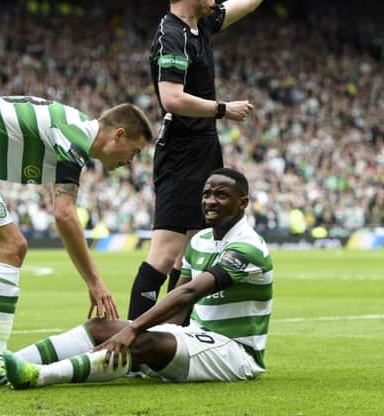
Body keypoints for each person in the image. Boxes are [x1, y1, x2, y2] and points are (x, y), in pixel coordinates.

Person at [0, 168, 273, 387]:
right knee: (100, 327)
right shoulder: (199, 241)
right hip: (199, 338)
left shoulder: (248, 248)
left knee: (139, 340)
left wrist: (134, 329)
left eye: (221, 195)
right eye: (207, 194)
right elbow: (180, 308)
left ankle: (37, 377)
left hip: (235, 353)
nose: (210, 201)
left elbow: (188, 294)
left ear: (242, 203)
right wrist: (140, 329)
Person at [0, 95, 153, 387]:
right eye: (134, 152)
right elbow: (63, 214)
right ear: (119, 134)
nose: (130, 163)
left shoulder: (73, 129)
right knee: (13, 247)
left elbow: (60, 207)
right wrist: (95, 282)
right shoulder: (75, 136)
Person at [127, 0, 263, 320]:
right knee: (164, 254)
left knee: (190, 255)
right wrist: (223, 109)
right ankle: (130, 343)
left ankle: (175, 337)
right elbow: (171, 99)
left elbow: (242, 5)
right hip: (180, 151)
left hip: (205, 147)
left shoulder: (200, 23)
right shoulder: (171, 35)